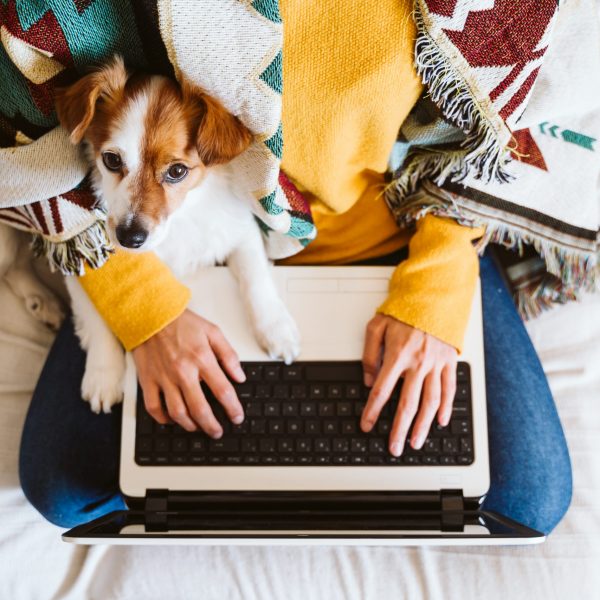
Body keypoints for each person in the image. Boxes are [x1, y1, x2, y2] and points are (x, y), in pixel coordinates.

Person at [4, 1, 571, 532]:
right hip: (185, 247)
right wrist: (142, 308)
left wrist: (436, 291)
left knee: (528, 501)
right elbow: (42, 140)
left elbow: (493, 131)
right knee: (63, 487)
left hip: (403, 232)